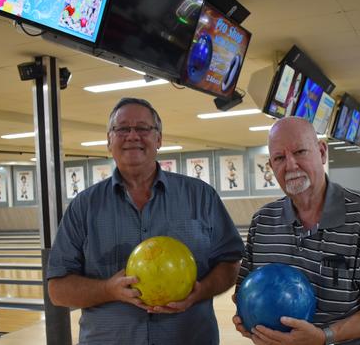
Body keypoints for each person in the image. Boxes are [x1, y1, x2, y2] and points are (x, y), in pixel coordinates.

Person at [47, 97, 244, 344]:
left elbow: (230, 262)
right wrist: (108, 290)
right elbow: (57, 290)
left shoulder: (201, 196)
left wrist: (200, 291)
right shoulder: (84, 206)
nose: (132, 136)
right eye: (122, 129)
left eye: (142, 128)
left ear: (158, 139)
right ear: (109, 140)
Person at [233, 117, 360, 345]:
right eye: (279, 158)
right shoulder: (262, 222)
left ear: (321, 152)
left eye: (300, 152)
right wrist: (250, 323)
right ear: (271, 167)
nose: (290, 165)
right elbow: (245, 293)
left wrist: (324, 337)